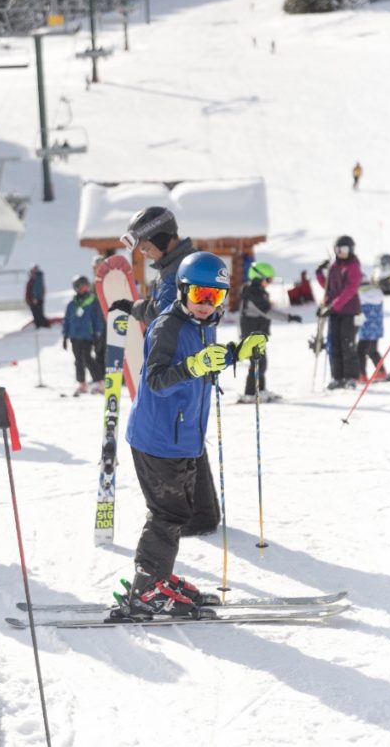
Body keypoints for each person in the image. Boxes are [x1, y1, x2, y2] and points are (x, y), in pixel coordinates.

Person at [116, 252, 266, 618]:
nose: (205, 305)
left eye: (214, 297)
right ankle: (147, 589)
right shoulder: (167, 326)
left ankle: (158, 578)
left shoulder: (204, 325)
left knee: (178, 511)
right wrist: (195, 365)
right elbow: (156, 379)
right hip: (158, 437)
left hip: (181, 436)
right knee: (167, 513)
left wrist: (234, 353)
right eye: (199, 295)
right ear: (182, 291)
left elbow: (206, 358)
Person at [111, 206, 220, 536]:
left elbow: (165, 312)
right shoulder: (178, 268)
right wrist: (135, 308)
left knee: (181, 432)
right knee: (188, 434)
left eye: (147, 247)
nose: (145, 254)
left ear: (162, 239)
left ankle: (198, 514)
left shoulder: (178, 274)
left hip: (183, 365)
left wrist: (136, 309)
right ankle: (203, 513)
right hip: (191, 367)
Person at [237, 262, 302, 404]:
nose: (269, 283)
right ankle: (250, 393)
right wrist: (289, 318)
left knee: (261, 362)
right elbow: (268, 312)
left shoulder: (257, 292)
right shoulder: (253, 294)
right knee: (257, 363)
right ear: (258, 278)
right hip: (251, 335)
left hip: (257, 334)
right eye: (268, 280)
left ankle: (259, 390)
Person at [315, 234, 362, 389]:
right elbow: (330, 288)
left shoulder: (353, 266)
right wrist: (319, 274)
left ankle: (351, 378)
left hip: (350, 311)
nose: (340, 252)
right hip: (335, 311)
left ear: (351, 250)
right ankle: (338, 377)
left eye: (343, 249)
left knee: (347, 343)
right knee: (334, 344)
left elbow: (349, 290)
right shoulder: (335, 267)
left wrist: (333, 306)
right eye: (338, 249)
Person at [62, 275, 105, 396]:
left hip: (88, 335)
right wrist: (65, 336)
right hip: (75, 336)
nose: (84, 289)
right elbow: (67, 320)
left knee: (87, 358)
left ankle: (99, 382)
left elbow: (97, 319)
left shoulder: (93, 301)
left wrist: (98, 333)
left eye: (86, 286)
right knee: (78, 360)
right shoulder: (72, 304)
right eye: (82, 286)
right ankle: (82, 383)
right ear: (76, 288)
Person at [357, 277, 390, 383]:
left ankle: (361, 375)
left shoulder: (359, 295)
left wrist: (356, 325)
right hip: (376, 327)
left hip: (365, 328)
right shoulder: (377, 293)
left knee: (360, 351)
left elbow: (358, 311)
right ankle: (381, 372)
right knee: (372, 351)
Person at [25, 264, 51, 328]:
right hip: (34, 299)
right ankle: (41, 325)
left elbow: (36, 289)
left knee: (38, 314)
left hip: (36, 300)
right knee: (37, 314)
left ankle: (42, 325)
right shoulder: (35, 278)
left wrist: (35, 298)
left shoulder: (37, 278)